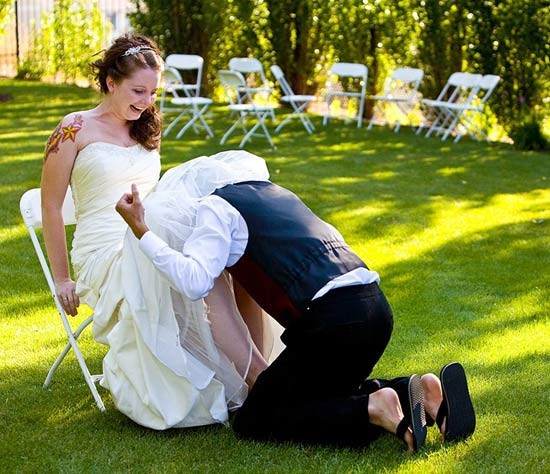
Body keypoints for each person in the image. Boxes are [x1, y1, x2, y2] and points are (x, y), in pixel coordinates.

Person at [115, 158, 476, 451]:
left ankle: (375, 406)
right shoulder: (274, 194)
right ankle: (417, 391)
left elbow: (193, 281)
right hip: (375, 309)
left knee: (256, 419)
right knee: (318, 393)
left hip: (335, 321)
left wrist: (142, 231)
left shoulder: (214, 208)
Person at [40, 34, 272, 430]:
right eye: (137, 90)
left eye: (153, 92)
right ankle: (263, 386)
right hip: (102, 253)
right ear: (111, 83)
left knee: (228, 262)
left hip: (148, 234)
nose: (146, 101)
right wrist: (62, 277)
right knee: (203, 265)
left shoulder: (146, 127)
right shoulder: (75, 128)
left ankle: (260, 379)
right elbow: (50, 206)